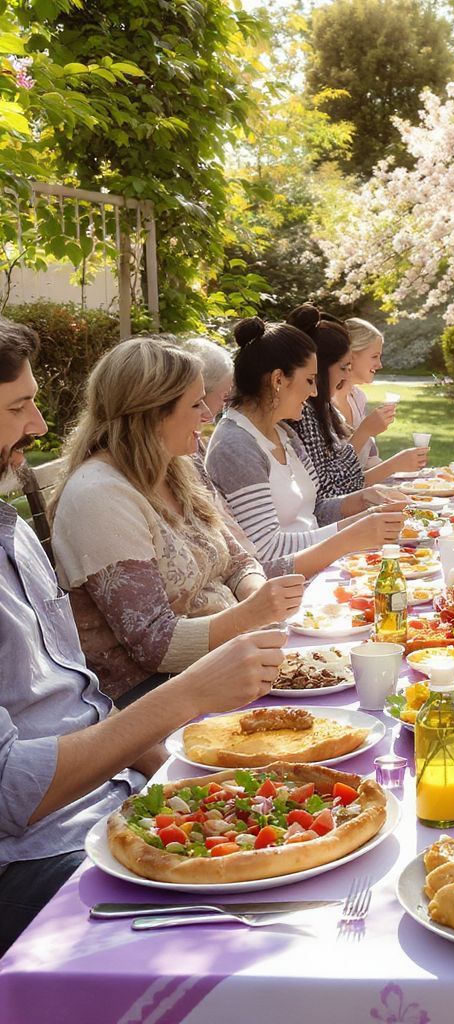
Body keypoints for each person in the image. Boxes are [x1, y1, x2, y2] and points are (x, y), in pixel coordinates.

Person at [0, 318, 287, 956]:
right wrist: (190, 697)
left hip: (113, 788)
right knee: (247, 930)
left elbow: (79, 695)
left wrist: (171, 772)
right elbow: (10, 794)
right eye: (19, 407)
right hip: (38, 850)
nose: (39, 425)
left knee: (282, 841)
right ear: (151, 413)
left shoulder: (9, 531)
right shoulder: (98, 496)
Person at [49, 338, 304, 705]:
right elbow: (154, 645)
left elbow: (237, 560)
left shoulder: (175, 466)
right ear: (152, 413)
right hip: (157, 698)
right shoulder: (99, 496)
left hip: (228, 660)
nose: (209, 414)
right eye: (196, 403)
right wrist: (251, 615)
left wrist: (259, 598)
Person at [205, 318, 405, 575]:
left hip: (322, 570)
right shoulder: (236, 446)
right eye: (310, 380)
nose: (314, 392)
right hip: (291, 584)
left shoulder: (283, 432)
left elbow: (313, 510)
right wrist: (351, 533)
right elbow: (265, 551)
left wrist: (360, 500)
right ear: (278, 379)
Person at [286, 305, 428, 492]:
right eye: (344, 367)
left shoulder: (339, 405)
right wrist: (366, 434)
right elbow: (331, 489)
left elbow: (350, 476)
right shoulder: (304, 414)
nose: (347, 374)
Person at [336, 317, 397, 468]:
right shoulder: (323, 404)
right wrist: (365, 430)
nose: (380, 365)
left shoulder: (358, 398)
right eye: (374, 356)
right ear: (350, 355)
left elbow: (369, 461)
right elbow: (334, 474)